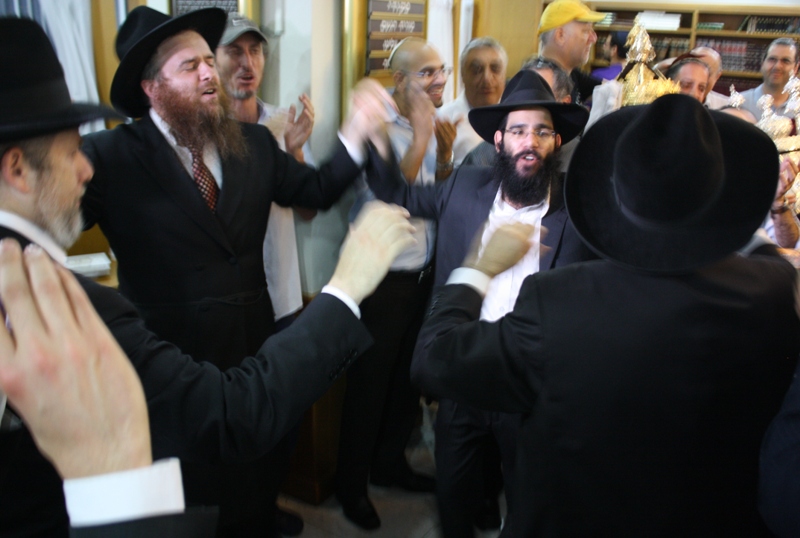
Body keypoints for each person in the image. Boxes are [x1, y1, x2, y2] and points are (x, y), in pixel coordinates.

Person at [0, 13, 397, 538]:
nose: (210, 73)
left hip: (257, 349)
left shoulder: (253, 144)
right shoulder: (110, 157)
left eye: (211, 60)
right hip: (170, 366)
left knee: (256, 475)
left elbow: (318, 191)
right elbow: (44, 222)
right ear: (152, 89)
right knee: (199, 496)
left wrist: (354, 135)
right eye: (191, 66)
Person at [412, 93, 799, 536]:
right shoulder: (772, 289)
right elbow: (767, 256)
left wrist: (477, 267)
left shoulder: (560, 300)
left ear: (615, 195)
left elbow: (434, 359)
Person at [0, 200, 416, 537]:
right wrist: (345, 289)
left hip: (243, 350)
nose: (84, 166)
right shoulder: (71, 309)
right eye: (71, 149)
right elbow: (232, 413)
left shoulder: (255, 145)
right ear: (17, 167)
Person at [365, 69, 595, 537]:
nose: (529, 141)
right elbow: (396, 192)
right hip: (465, 370)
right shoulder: (464, 188)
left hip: (530, 379)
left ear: (555, 141)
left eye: (541, 131)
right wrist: (369, 135)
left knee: (530, 495)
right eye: (518, 131)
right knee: (453, 492)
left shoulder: (579, 205)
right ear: (498, 139)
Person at [334, 36, 452, 531]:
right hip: (381, 281)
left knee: (406, 381)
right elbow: (385, 201)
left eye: (441, 70)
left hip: (422, 275)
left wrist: (441, 154)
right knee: (368, 387)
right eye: (426, 72)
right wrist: (423, 139)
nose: (439, 80)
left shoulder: (438, 125)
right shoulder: (375, 129)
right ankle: (351, 487)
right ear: (399, 80)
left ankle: (390, 465)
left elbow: (435, 198)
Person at [438, 37, 507, 166]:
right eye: (477, 70)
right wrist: (444, 156)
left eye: (495, 69)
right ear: (463, 75)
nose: (487, 78)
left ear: (504, 74)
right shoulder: (443, 121)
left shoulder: (516, 119)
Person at [537, 0, 606, 106]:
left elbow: (609, 89)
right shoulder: (538, 86)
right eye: (586, 31)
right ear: (560, 36)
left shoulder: (572, 74)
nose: (594, 38)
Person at [740, 38, 800, 121]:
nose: (777, 66)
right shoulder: (740, 103)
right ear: (763, 63)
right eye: (772, 59)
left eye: (785, 61)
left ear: (796, 67)